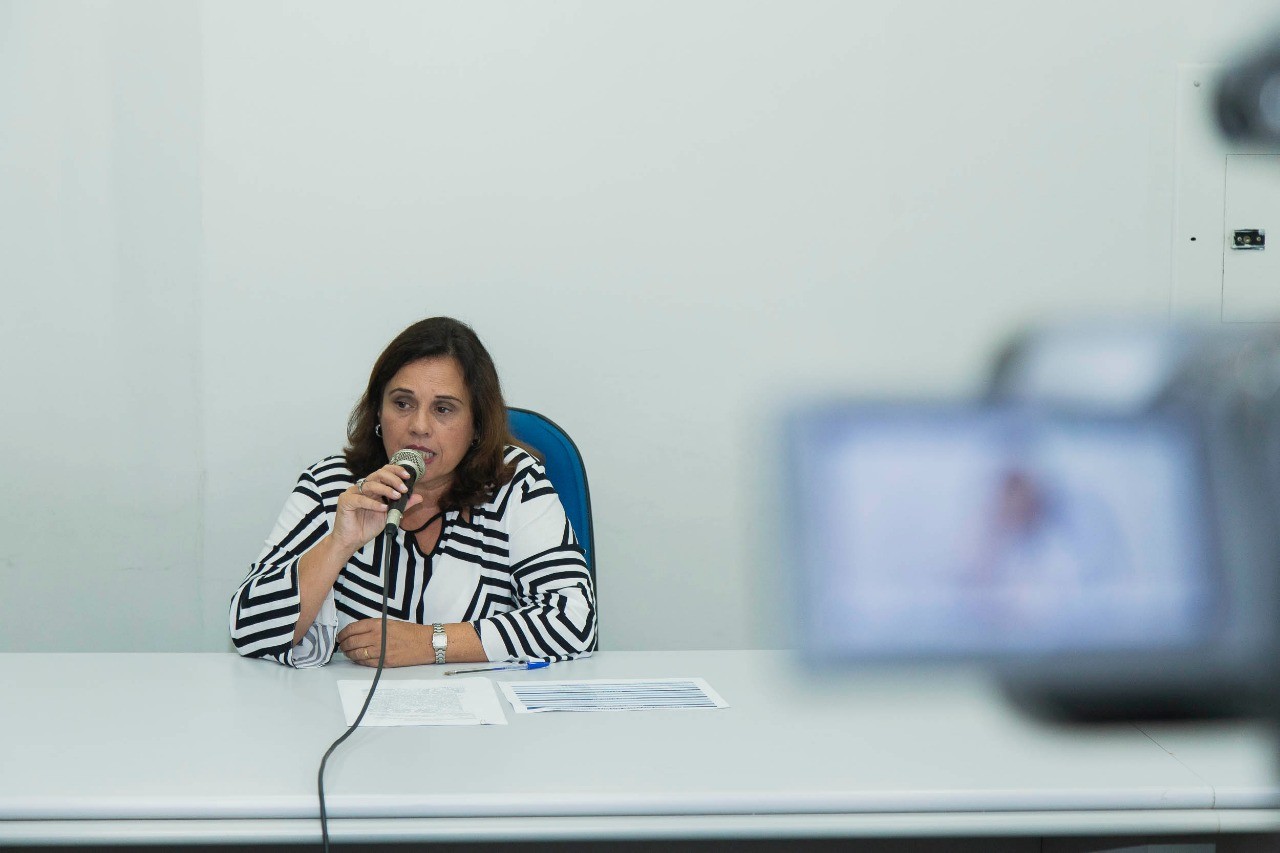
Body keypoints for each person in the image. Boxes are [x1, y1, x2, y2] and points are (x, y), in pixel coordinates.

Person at [229, 317, 596, 668]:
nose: (419, 426)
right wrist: (338, 543)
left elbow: (574, 622)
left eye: (443, 409)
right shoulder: (331, 486)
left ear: (477, 425)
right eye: (402, 404)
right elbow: (248, 629)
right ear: (377, 412)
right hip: (344, 711)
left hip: (482, 719)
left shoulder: (513, 483)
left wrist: (430, 643)